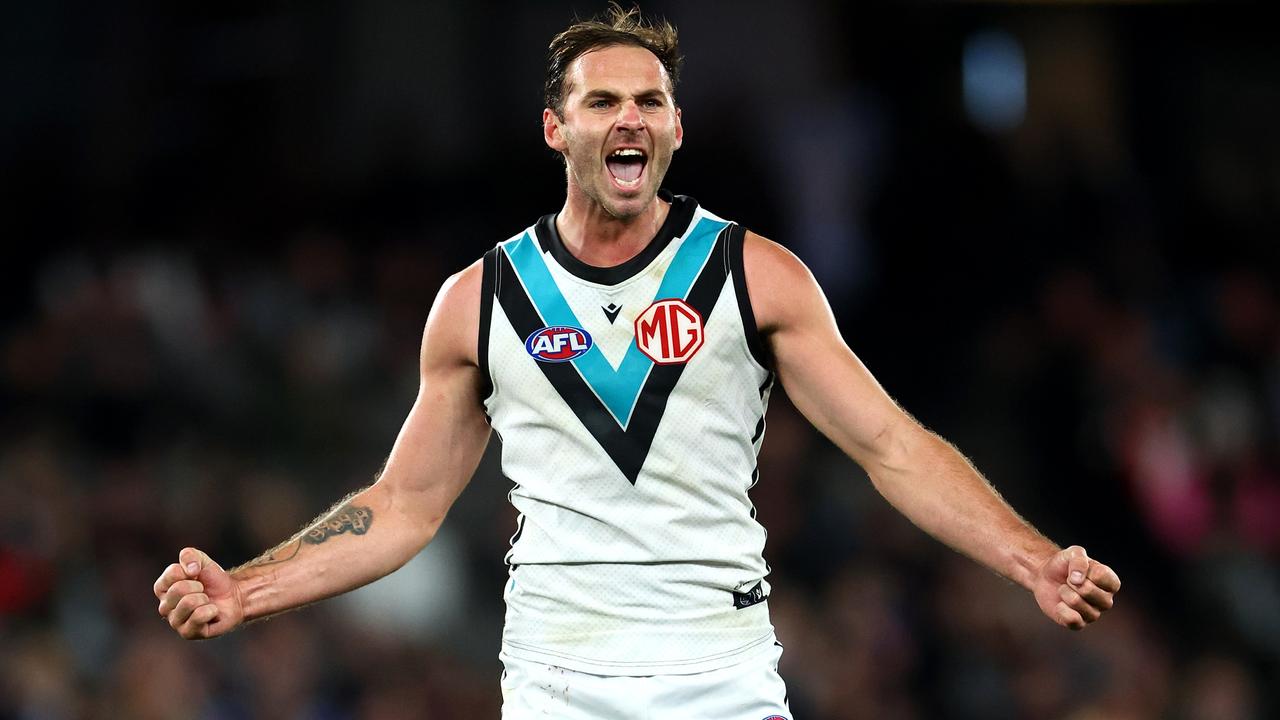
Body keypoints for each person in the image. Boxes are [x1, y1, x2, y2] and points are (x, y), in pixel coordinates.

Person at [154, 5, 1121, 717]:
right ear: (556, 128)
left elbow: (891, 449)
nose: (631, 117)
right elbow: (403, 505)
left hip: (725, 676)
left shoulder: (757, 277)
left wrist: (1029, 558)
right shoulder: (481, 301)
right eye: (604, 99)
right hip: (557, 680)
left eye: (651, 101)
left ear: (676, 128)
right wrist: (250, 588)